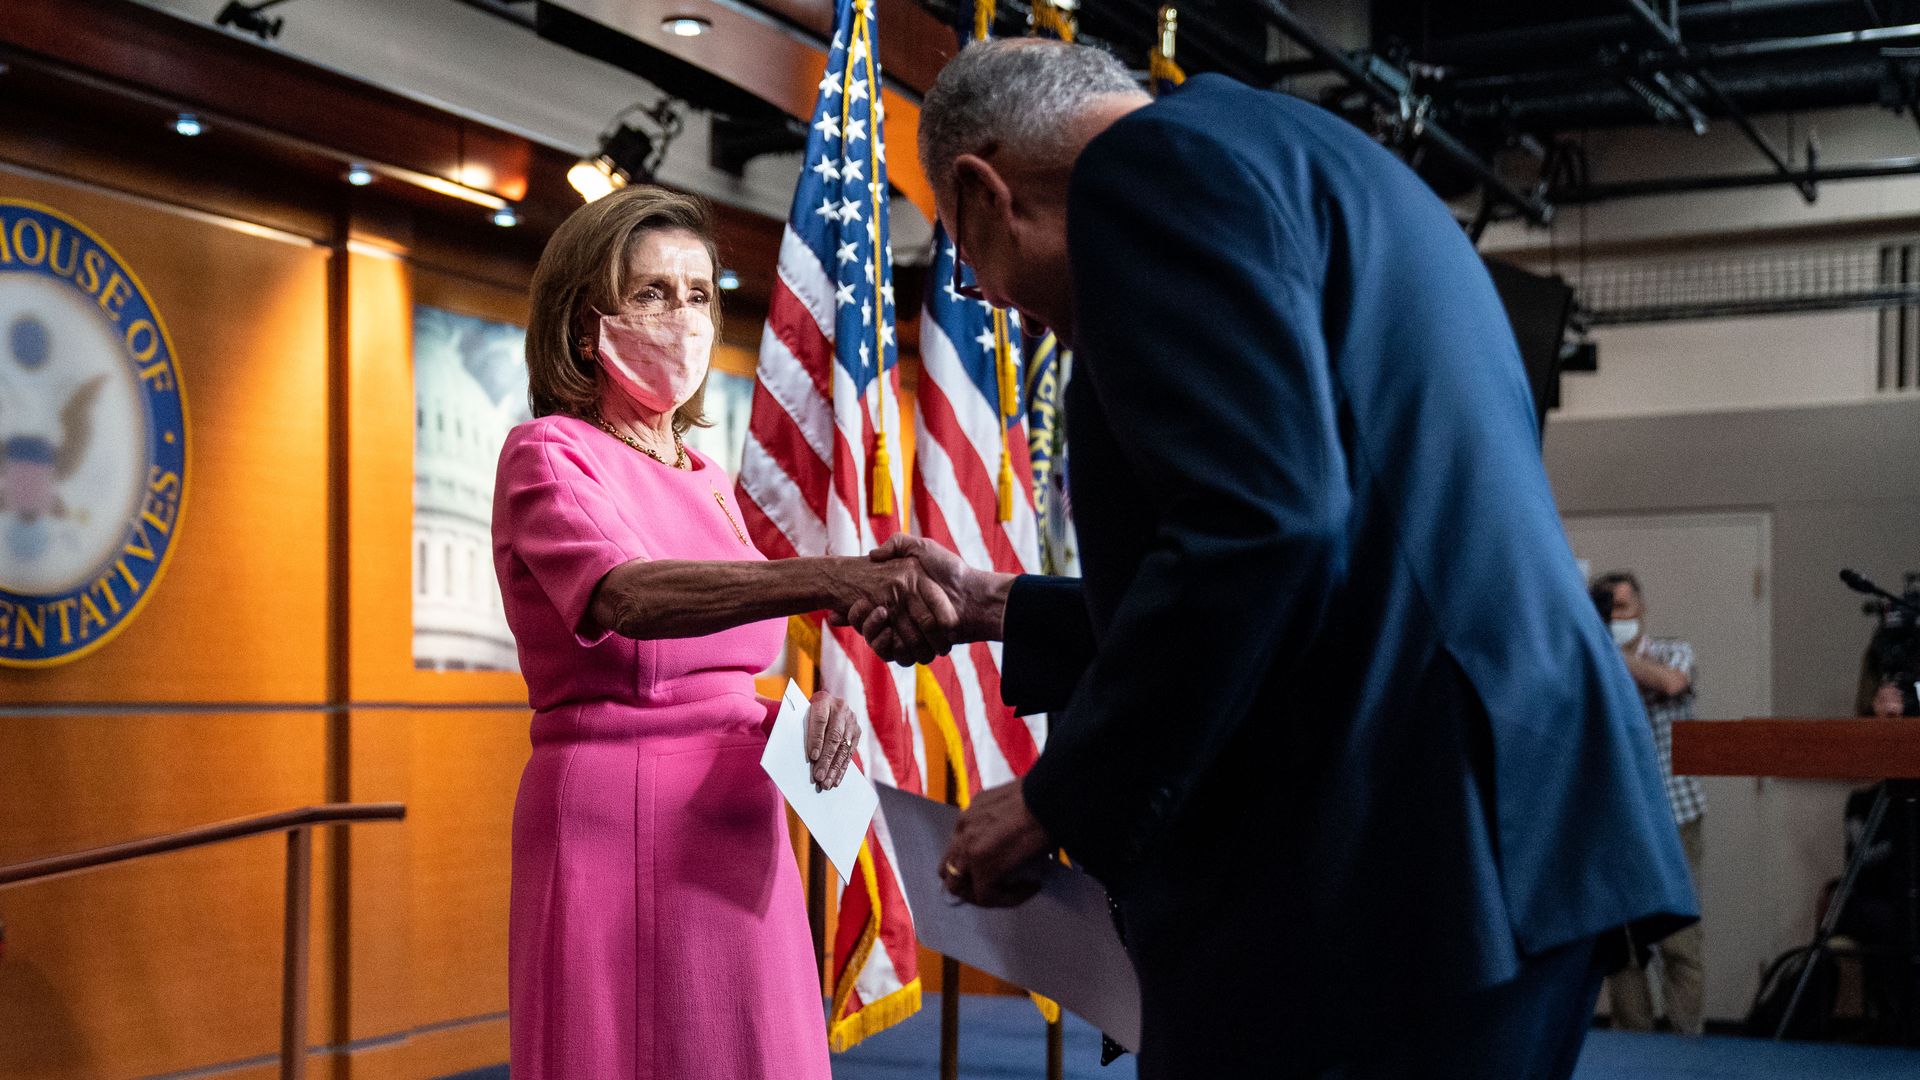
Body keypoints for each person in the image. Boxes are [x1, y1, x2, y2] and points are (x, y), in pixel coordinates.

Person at [849, 40, 1697, 1079]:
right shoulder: (1314, 155)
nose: (996, 299)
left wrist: (1054, 800)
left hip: (1390, 853)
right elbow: (1333, 554)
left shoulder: (1144, 174)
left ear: (983, 192)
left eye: (968, 267)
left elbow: (1263, 529)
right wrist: (1003, 607)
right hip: (1497, 823)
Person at [491, 185, 956, 1079]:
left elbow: (730, 664)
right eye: (651, 293)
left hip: (739, 826)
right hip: (618, 824)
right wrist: (829, 576)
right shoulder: (551, 452)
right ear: (584, 318)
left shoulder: (705, 475)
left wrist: (808, 713)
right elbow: (627, 596)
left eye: (699, 293)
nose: (682, 317)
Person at [1590, 571, 1707, 1035]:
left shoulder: (1672, 650)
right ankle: (1632, 1044)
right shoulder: (1588, 657)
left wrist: (1604, 650)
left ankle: (1685, 1044)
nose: (1616, 617)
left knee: (1679, 938)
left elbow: (1672, 683)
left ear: (1641, 608)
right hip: (1615, 817)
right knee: (1623, 946)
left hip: (1674, 813)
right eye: (1607, 610)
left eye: (1623, 607)